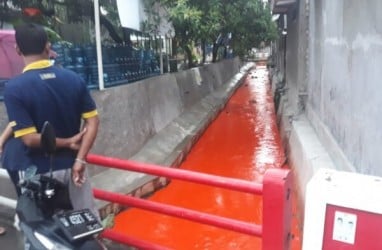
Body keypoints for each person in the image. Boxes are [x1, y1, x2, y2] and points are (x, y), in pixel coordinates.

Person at [3, 23, 100, 217]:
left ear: (17, 49)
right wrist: (80, 157)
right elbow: (93, 122)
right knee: (85, 224)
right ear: (48, 47)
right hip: (73, 167)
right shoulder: (73, 79)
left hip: (37, 171)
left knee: (41, 230)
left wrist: (66, 143)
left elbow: (29, 138)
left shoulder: (14, 88)